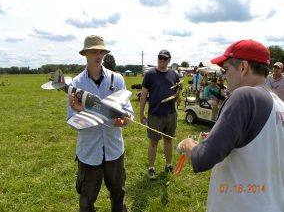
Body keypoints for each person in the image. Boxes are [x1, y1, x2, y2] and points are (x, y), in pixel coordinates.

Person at [178, 39, 284, 212]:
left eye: (226, 70)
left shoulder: (244, 96)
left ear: (243, 67)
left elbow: (202, 159)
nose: (224, 76)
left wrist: (187, 144)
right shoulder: (279, 104)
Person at [67, 35, 134, 212]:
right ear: (85, 54)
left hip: (114, 150)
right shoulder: (76, 83)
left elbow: (129, 111)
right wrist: (79, 112)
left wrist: (125, 120)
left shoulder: (117, 79)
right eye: (93, 52)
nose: (98, 56)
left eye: (101, 52)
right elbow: (71, 122)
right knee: (87, 200)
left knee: (118, 194)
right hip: (89, 152)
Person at [140, 49, 180, 180]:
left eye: (165, 58)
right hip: (155, 114)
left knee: (168, 141)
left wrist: (178, 98)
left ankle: (169, 165)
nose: (162, 60)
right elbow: (144, 94)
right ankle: (151, 168)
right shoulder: (150, 74)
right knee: (153, 142)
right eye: (160, 57)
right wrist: (141, 113)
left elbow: (177, 94)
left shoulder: (174, 75)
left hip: (170, 114)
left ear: (169, 60)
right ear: (157, 58)